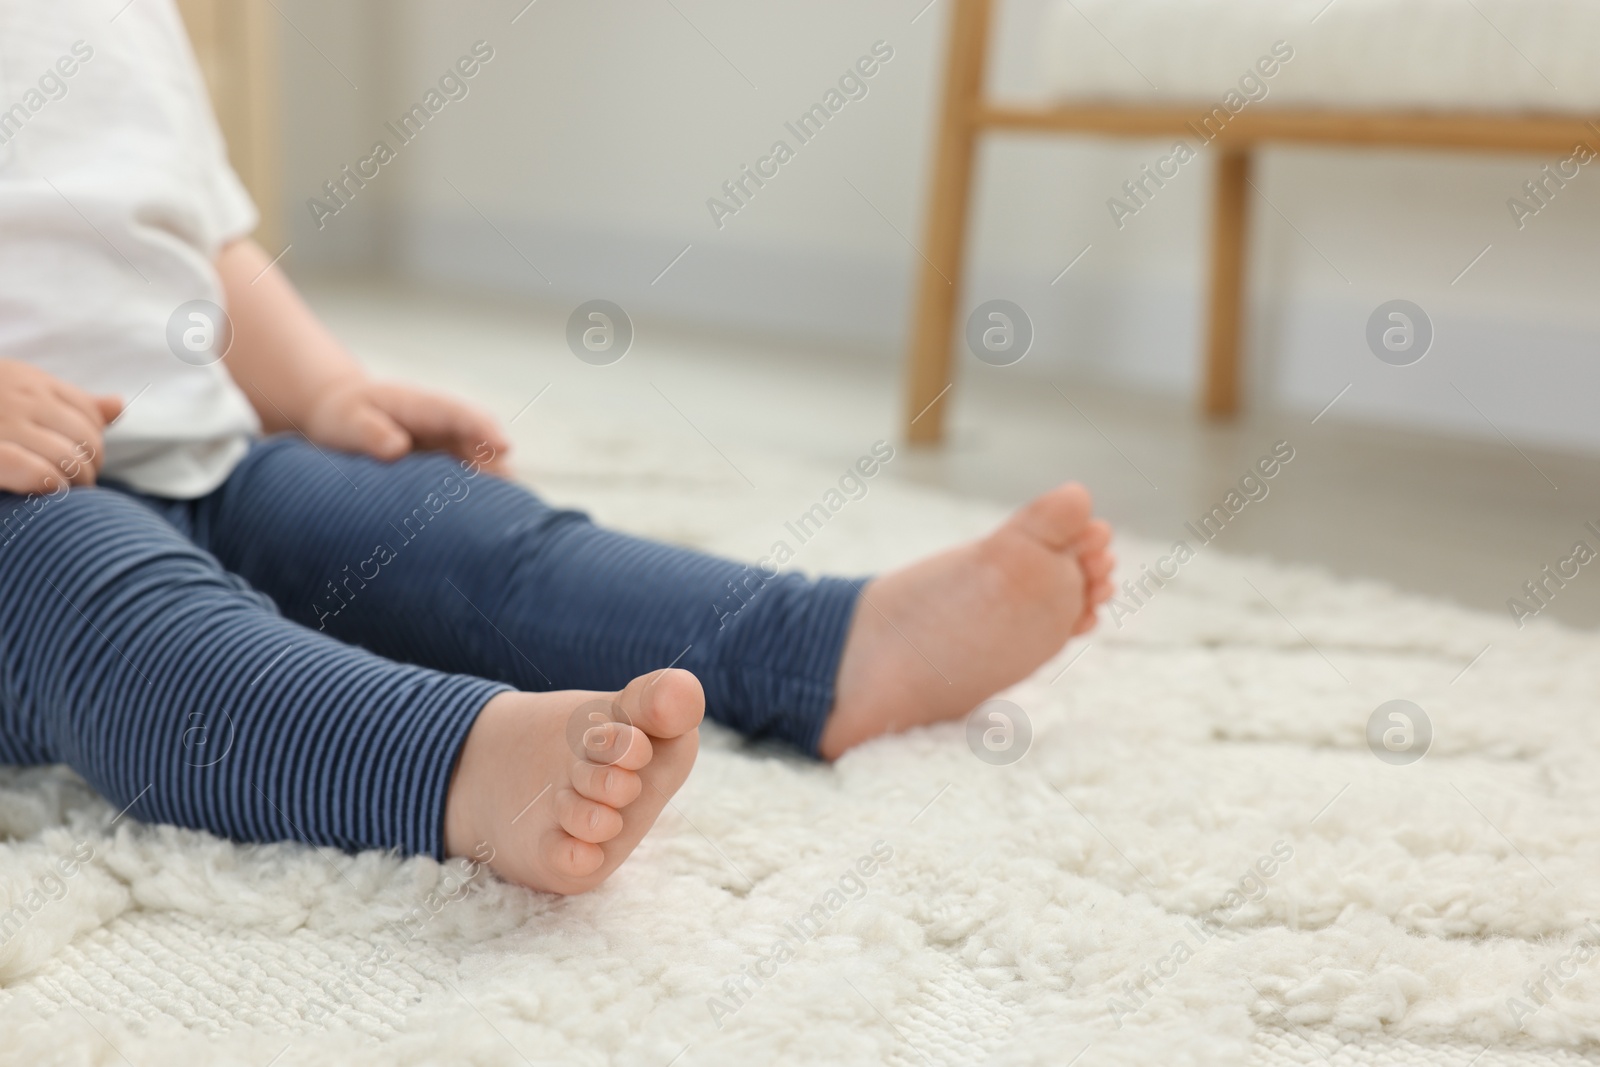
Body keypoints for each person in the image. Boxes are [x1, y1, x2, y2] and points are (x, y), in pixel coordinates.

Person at [0, 0, 1114, 894]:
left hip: (208, 448)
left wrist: (329, 390)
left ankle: (828, 645)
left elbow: (206, 240)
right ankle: (453, 765)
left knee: (458, 534)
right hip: (17, 511)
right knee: (120, 624)